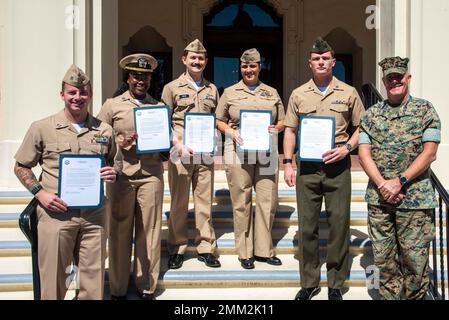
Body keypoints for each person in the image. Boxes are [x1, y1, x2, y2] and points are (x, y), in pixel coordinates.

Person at [13, 65, 119, 300]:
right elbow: (21, 166)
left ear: (90, 95)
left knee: (93, 284)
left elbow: (115, 162)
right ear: (62, 95)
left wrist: (114, 172)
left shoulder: (104, 130)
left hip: (94, 216)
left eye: (83, 92)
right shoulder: (42, 127)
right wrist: (40, 194)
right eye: (72, 92)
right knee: (53, 282)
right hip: (55, 215)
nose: (77, 98)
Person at [283, 37, 365, 300]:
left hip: (338, 166)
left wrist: (347, 149)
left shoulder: (349, 92)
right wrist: (287, 162)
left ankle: (335, 283)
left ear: (333, 62)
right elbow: (290, 130)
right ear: (310, 63)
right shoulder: (298, 94)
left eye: (325, 58)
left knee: (339, 225)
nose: (321, 62)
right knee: (308, 226)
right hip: (307, 168)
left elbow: (361, 129)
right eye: (316, 59)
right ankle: (309, 282)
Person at [358, 57, 441, 300]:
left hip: (415, 201)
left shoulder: (425, 110)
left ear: (408, 78)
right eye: (389, 77)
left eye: (399, 76)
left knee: (415, 261)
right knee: (385, 260)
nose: (394, 81)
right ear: (383, 81)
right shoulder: (371, 115)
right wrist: (384, 184)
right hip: (380, 200)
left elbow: (430, 153)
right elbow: (364, 154)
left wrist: (399, 181)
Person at [97, 54, 164, 300]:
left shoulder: (157, 107)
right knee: (119, 231)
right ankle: (117, 288)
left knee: (150, 231)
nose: (141, 81)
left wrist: (166, 145)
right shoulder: (111, 105)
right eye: (136, 76)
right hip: (121, 175)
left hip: (151, 175)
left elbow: (165, 146)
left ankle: (146, 285)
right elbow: (97, 138)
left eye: (145, 76)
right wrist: (119, 141)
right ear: (128, 77)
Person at [216, 48, 285, 270]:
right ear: (240, 67)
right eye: (245, 66)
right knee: (241, 201)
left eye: (253, 65)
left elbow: (283, 120)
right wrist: (231, 132)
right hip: (238, 151)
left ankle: (264, 250)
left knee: (267, 200)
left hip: (266, 152)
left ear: (259, 66)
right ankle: (245, 252)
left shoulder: (272, 92)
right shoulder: (229, 92)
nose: (249, 70)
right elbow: (219, 120)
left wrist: (276, 128)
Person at [161, 39, 221, 269]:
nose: (197, 61)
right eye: (192, 58)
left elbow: (217, 120)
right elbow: (163, 122)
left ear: (205, 62)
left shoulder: (212, 89)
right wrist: (177, 144)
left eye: (201, 58)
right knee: (178, 203)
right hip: (180, 153)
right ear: (184, 60)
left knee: (204, 203)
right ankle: (177, 247)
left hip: (204, 155)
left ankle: (205, 247)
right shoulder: (171, 88)